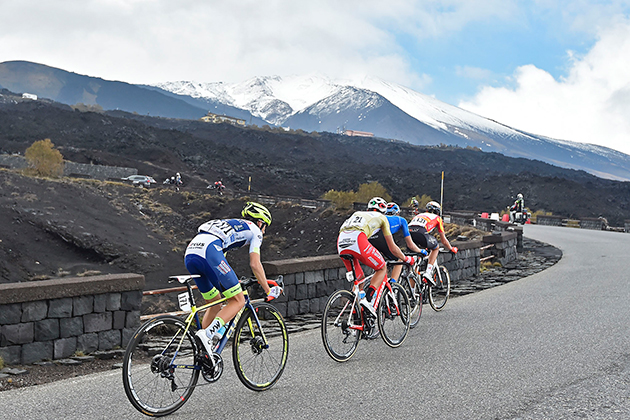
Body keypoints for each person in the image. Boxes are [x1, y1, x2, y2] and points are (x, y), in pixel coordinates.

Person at [184, 201, 282, 355]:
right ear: (260, 222)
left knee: (214, 303)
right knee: (238, 300)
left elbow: (220, 263)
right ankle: (208, 334)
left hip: (191, 252)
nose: (264, 232)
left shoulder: (231, 224)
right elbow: (255, 264)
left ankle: (204, 353)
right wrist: (268, 289)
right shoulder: (255, 230)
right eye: (265, 227)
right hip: (209, 251)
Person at [337, 197, 415, 316]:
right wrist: (406, 258)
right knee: (382, 268)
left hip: (341, 241)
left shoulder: (357, 213)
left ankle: (356, 314)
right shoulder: (382, 218)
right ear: (383, 211)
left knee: (359, 279)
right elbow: (392, 247)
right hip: (358, 239)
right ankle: (367, 300)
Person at [368, 202, 426, 282]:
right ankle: (393, 286)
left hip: (369, 238)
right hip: (381, 237)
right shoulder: (401, 220)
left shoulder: (380, 218)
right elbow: (410, 245)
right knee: (399, 258)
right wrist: (421, 251)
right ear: (398, 213)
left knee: (382, 264)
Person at [408, 201, 458, 286]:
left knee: (415, 265)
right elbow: (443, 240)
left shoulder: (418, 215)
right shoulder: (438, 218)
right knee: (435, 247)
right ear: (438, 211)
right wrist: (451, 248)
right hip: (421, 233)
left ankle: (412, 293)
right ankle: (428, 272)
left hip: (409, 234)